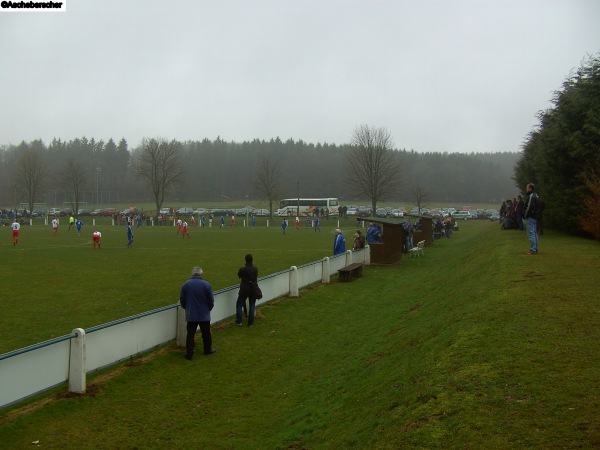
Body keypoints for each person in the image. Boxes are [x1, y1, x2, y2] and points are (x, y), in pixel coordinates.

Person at [179, 266, 215, 359]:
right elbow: (211, 300)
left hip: (191, 314)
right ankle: (207, 350)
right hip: (204, 314)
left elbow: (182, 300)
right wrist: (209, 309)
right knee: (206, 333)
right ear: (201, 274)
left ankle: (189, 353)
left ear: (192, 273)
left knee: (190, 334)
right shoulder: (206, 284)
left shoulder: (185, 285)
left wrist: (187, 308)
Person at [235, 254, 259, 327]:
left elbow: (239, 275)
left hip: (244, 289)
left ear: (245, 260)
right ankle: (250, 323)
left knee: (239, 304)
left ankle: (239, 321)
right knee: (252, 305)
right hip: (253, 288)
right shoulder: (255, 269)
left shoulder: (242, 269)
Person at [523, 183, 539, 255]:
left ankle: (533, 250)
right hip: (535, 217)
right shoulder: (536, 195)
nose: (526, 189)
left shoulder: (531, 196)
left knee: (531, 233)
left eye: (527, 187)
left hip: (531, 217)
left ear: (530, 188)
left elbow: (529, 207)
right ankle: (535, 248)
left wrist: (525, 215)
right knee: (535, 233)